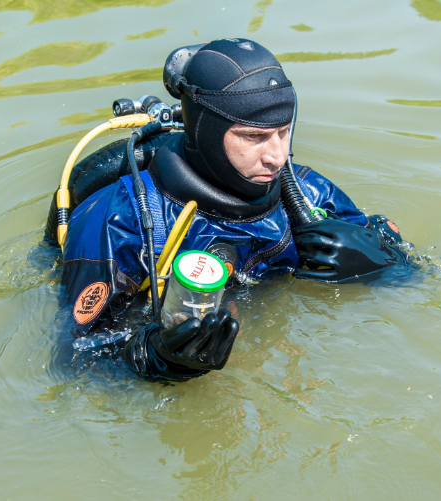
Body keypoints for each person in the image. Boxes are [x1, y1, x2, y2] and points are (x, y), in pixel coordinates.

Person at [56, 38, 407, 381]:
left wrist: (378, 259)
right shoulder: (123, 220)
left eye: (284, 132)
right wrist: (155, 359)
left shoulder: (309, 194)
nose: (277, 156)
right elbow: (76, 359)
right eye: (253, 137)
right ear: (205, 131)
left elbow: (419, 278)